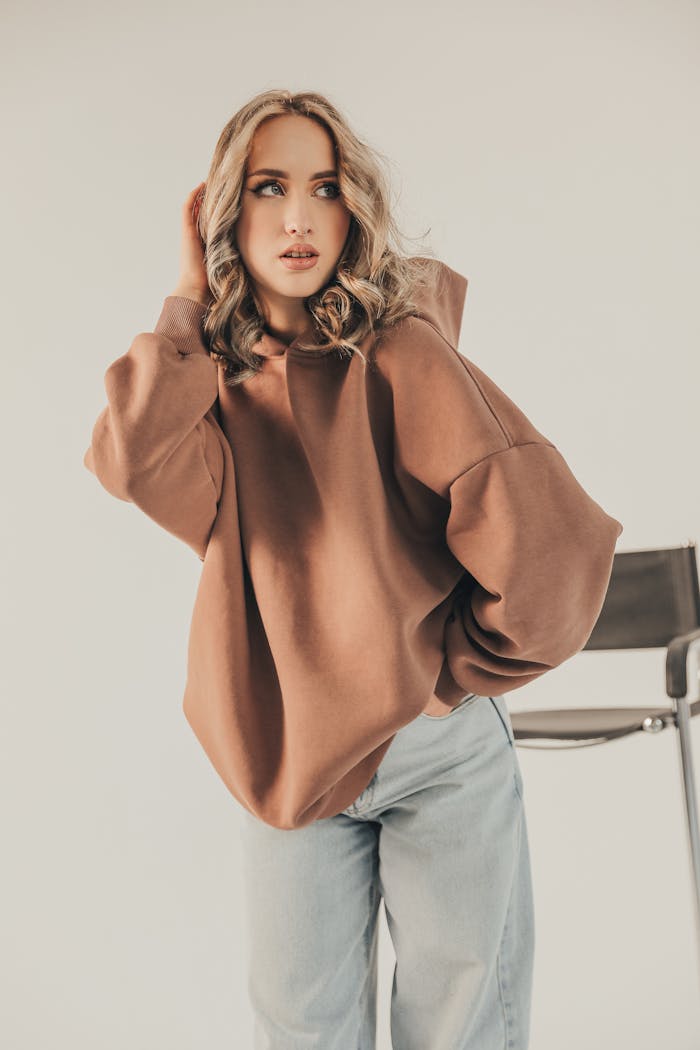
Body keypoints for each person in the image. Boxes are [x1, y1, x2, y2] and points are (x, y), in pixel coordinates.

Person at [84, 90, 623, 1049]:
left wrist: (454, 677)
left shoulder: (399, 353)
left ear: (352, 207)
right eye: (267, 188)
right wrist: (185, 303)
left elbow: (551, 549)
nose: (299, 217)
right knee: (301, 1032)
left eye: (324, 188)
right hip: (287, 755)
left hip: (439, 755)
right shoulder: (213, 390)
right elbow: (129, 460)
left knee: (460, 1030)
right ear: (225, 214)